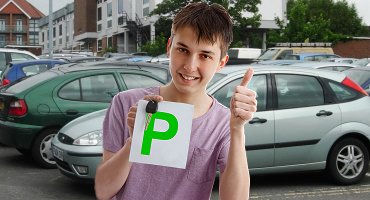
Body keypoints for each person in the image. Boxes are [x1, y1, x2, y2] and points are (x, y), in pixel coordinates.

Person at [95, 2, 257, 200]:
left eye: (205, 55)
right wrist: (134, 142)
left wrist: (237, 130)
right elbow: (103, 191)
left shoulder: (224, 122)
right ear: (169, 47)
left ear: (221, 63)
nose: (190, 66)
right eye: (183, 50)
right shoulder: (126, 103)